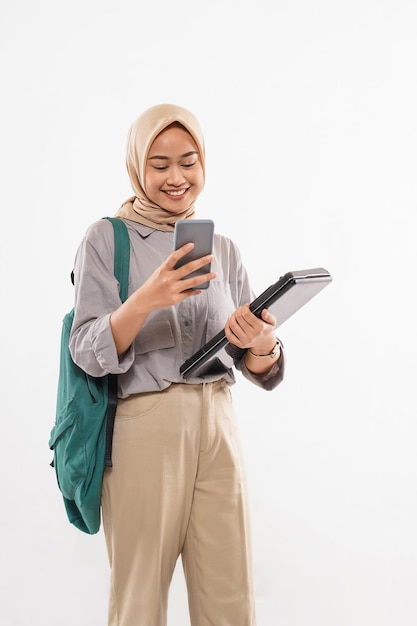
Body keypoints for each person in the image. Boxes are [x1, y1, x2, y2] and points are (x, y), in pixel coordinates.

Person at [69, 103, 285, 626]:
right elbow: (85, 347)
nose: (176, 177)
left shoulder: (224, 250)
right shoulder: (107, 238)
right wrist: (147, 298)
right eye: (159, 164)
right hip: (147, 424)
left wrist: (260, 344)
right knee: (140, 597)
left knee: (230, 596)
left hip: (219, 421)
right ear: (136, 167)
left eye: (188, 162)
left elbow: (259, 364)